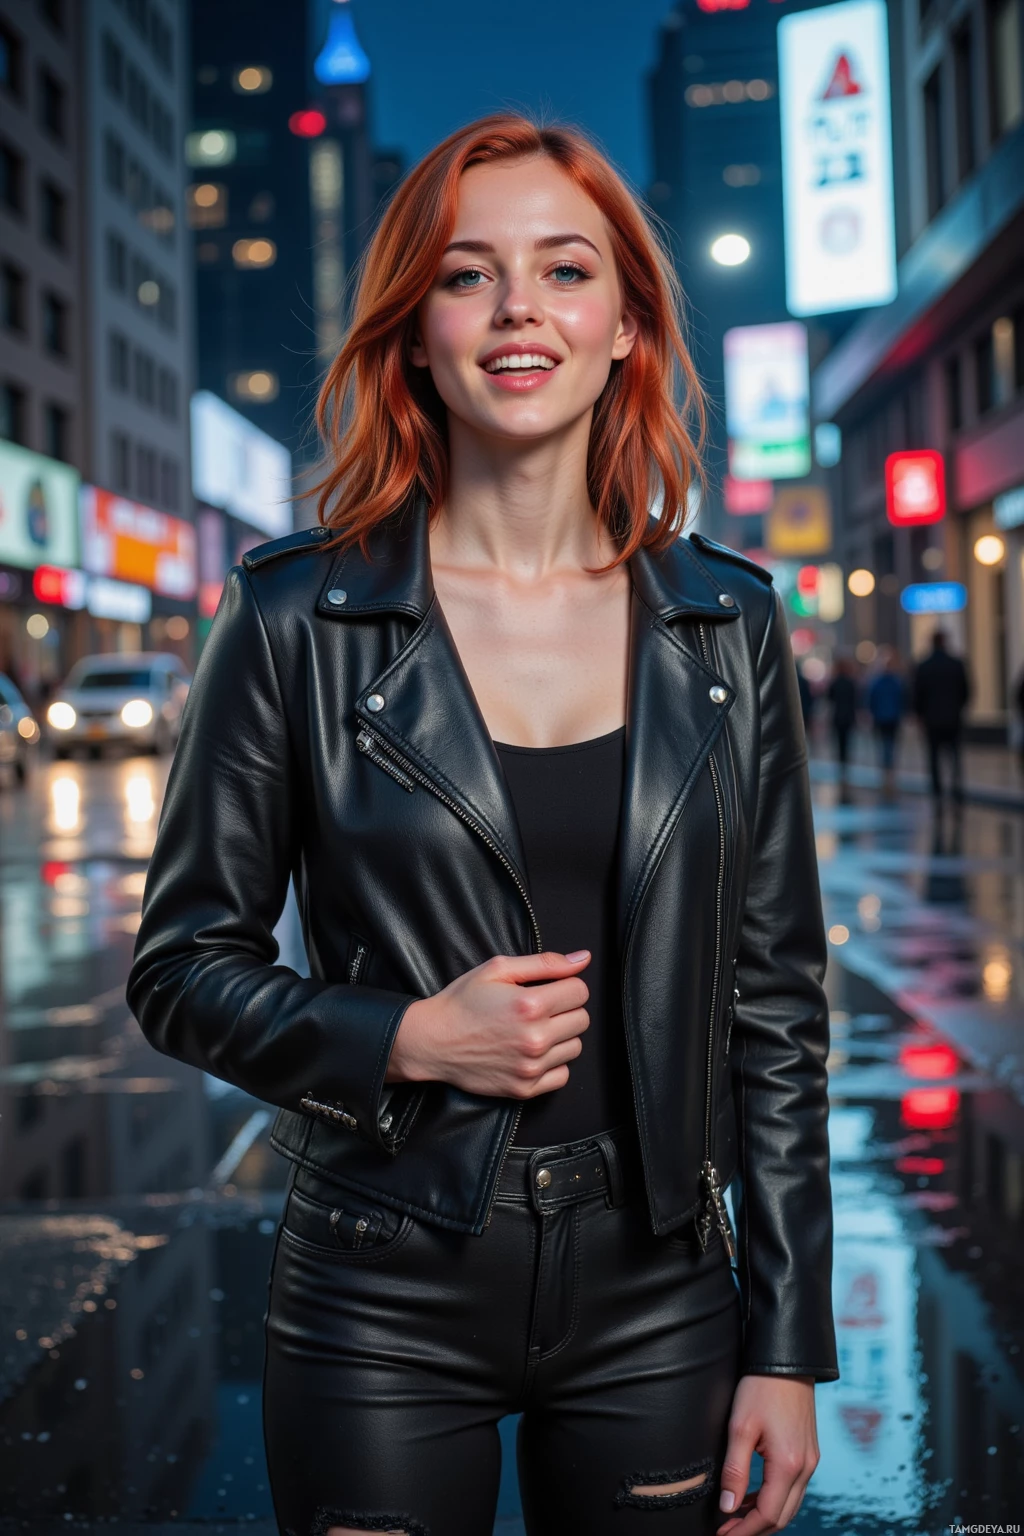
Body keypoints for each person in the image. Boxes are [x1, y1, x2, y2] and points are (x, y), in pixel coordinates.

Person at [128, 115, 836, 1536]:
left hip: (661, 1290)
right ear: (414, 335)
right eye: (468, 276)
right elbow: (180, 968)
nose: (519, 309)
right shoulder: (293, 619)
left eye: (565, 271)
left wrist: (787, 1343)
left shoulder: (726, 623)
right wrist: (403, 1037)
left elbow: (776, 1006)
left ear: (626, 324)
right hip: (377, 1282)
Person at [913, 630, 971, 801]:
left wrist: (920, 715)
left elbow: (918, 694)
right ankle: (957, 786)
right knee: (954, 755)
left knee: (934, 756)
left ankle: (937, 789)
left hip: (932, 719)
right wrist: (958, 708)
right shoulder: (956, 664)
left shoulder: (924, 666)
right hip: (953, 717)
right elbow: (966, 691)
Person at [867, 649, 907, 800]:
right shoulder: (896, 681)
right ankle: (889, 773)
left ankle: (886, 773)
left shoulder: (878, 681)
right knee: (889, 745)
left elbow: (871, 698)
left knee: (885, 745)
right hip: (890, 718)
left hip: (884, 718)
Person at [827, 655, 858, 791]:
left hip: (838, 717)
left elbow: (830, 699)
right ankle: (845, 767)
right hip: (849, 717)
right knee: (847, 743)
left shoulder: (835, 682)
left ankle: (841, 767)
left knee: (839, 743)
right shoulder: (851, 683)